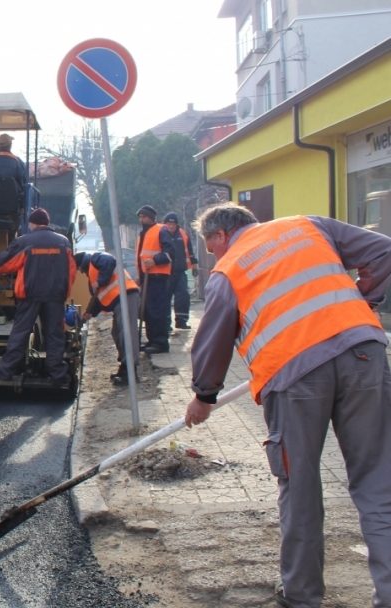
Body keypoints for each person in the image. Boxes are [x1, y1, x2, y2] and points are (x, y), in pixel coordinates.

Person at [184, 203, 391, 608]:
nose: (213, 257)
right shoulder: (308, 226)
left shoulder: (229, 271)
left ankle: (301, 596)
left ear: (222, 235)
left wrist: (203, 396)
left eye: (211, 247)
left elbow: (211, 341)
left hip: (295, 374)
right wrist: (366, 301)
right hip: (363, 352)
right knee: (378, 481)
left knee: (300, 488)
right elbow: (384, 250)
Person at [0, 207, 76, 385]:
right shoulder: (63, 242)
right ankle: (57, 375)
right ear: (47, 223)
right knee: (54, 334)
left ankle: (6, 371)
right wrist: (63, 290)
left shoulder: (25, 241)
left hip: (30, 295)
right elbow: (71, 270)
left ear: (33, 223)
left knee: (20, 333)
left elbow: (4, 265)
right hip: (55, 295)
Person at [74, 251, 140, 385]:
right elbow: (98, 300)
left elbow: (110, 262)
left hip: (126, 296)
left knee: (126, 334)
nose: (80, 271)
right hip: (119, 301)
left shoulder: (96, 258)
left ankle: (131, 373)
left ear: (81, 263)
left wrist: (100, 281)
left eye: (78, 268)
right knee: (116, 333)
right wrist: (90, 313)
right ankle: (124, 366)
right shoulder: (92, 276)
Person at [135, 205, 173, 353]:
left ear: (151, 217)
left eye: (144, 216)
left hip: (158, 276)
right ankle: (152, 340)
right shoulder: (142, 234)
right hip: (147, 277)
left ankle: (161, 342)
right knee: (148, 311)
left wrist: (155, 260)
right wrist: (140, 276)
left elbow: (170, 252)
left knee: (157, 310)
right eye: (140, 217)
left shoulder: (161, 230)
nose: (142, 219)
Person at [162, 211, 199, 329]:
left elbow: (190, 251)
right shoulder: (161, 235)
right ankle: (166, 323)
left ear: (177, 224)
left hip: (180, 272)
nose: (170, 226)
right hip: (166, 273)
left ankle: (181, 321)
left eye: (173, 224)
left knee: (183, 296)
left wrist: (194, 265)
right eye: (168, 224)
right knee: (165, 299)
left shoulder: (182, 234)